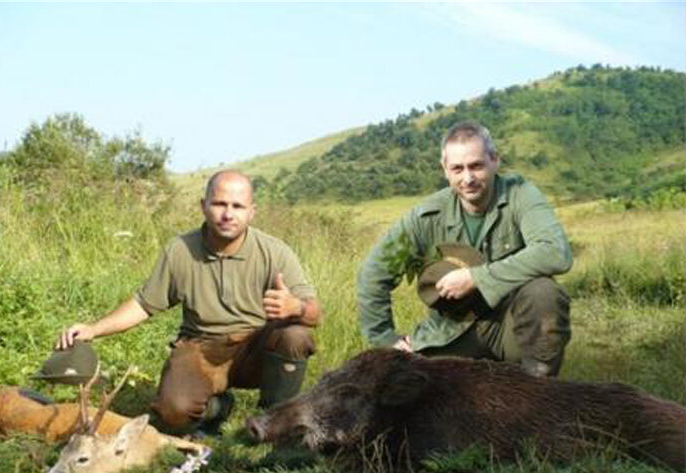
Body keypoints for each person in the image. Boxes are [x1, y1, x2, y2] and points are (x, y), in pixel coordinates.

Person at [58, 170, 321, 432]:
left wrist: (296, 307)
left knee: (295, 335)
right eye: (219, 204)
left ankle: (273, 421)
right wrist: (93, 329)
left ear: (252, 212)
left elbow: (314, 314)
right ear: (203, 206)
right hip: (201, 349)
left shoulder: (275, 252)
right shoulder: (180, 250)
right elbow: (143, 304)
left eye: (237, 206)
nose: (228, 214)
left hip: (255, 347)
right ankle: (218, 407)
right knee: (174, 414)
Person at [357, 121, 572, 377]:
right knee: (410, 389)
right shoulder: (425, 217)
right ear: (445, 170)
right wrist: (386, 340)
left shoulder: (520, 194)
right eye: (457, 169)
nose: (468, 178)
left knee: (544, 292)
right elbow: (373, 272)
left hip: (511, 326)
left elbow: (555, 252)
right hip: (450, 331)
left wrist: (475, 277)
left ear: (494, 160)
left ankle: (538, 389)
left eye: (476, 166)